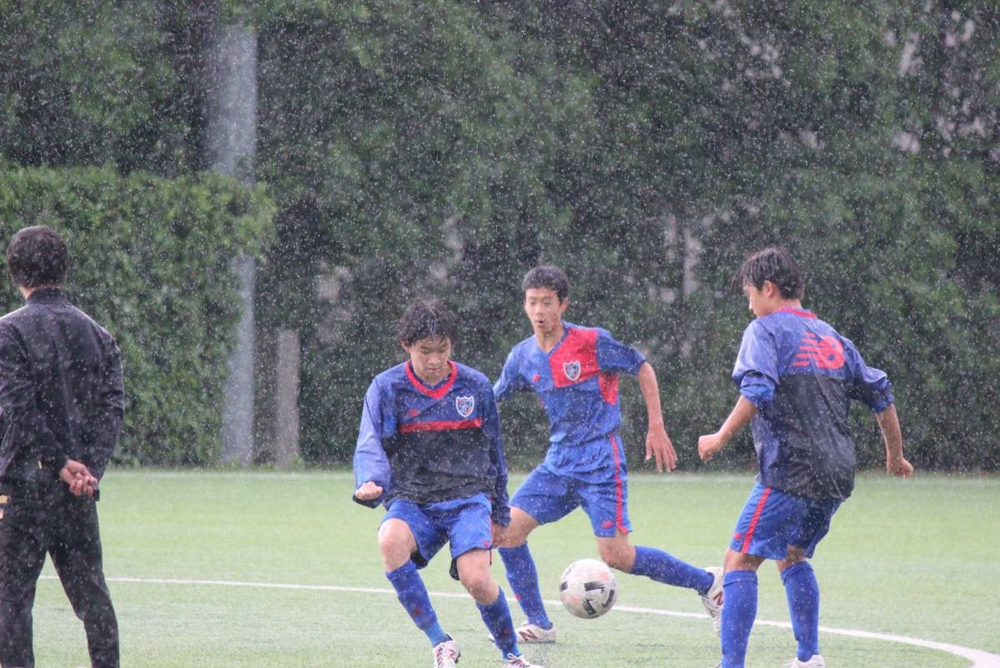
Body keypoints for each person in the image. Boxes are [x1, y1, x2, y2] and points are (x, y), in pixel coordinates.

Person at [697, 247, 914, 668]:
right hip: (836, 473)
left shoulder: (764, 331)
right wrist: (895, 456)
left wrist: (720, 437)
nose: (750, 306)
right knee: (792, 555)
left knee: (739, 560)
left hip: (790, 471)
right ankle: (808, 658)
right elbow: (881, 393)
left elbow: (757, 390)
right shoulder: (831, 336)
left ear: (768, 289)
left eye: (750, 295)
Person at [492, 265, 723, 643]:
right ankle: (539, 624)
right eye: (532, 302)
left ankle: (708, 583)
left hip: (601, 460)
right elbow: (491, 399)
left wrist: (656, 426)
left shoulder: (591, 341)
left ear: (563, 304)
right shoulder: (522, 356)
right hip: (558, 462)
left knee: (617, 556)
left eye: (547, 302)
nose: (539, 311)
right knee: (506, 533)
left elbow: (642, 368)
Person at [352, 300, 541, 668]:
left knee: (477, 580)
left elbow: (495, 453)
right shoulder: (386, 388)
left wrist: (500, 513)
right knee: (389, 540)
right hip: (413, 499)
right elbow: (369, 442)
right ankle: (441, 642)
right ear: (406, 345)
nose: (435, 360)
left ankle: (512, 657)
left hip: (468, 499)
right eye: (425, 351)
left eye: (443, 350)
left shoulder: (475, 386)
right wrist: (370, 481)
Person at [0, 225, 124, 668]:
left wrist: (56, 462)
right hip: (77, 493)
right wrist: (88, 470)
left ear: (15, 272)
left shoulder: (8, 333)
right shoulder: (99, 335)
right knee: (93, 597)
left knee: (11, 601)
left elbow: (19, 409)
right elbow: (112, 409)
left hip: (23, 487)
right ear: (63, 270)